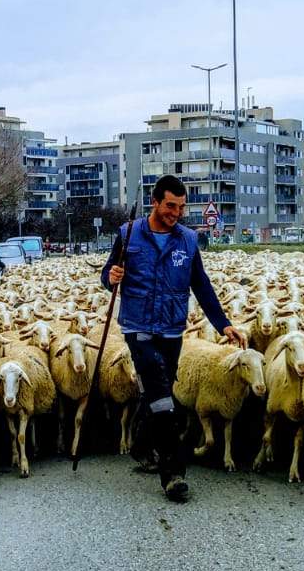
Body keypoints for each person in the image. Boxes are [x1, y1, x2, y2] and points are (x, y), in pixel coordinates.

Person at [103, 175, 243, 503]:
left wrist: (223, 325)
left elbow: (201, 286)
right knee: (163, 397)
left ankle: (140, 442)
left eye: (181, 207)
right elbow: (107, 275)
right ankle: (173, 473)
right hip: (138, 326)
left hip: (171, 328)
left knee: (160, 392)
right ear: (155, 202)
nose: (176, 213)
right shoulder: (128, 234)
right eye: (170, 206)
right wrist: (111, 278)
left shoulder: (188, 240)